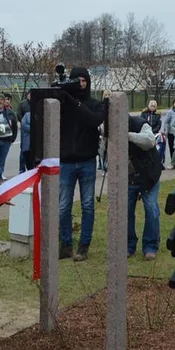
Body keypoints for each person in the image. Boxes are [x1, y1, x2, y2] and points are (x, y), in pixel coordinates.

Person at [57, 67, 106, 262]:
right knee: (63, 206)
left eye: (83, 80)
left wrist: (73, 101)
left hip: (86, 161)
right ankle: (66, 244)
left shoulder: (94, 104)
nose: (80, 84)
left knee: (87, 205)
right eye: (76, 80)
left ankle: (84, 245)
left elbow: (93, 120)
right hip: (66, 162)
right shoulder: (63, 104)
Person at [126, 115, 162, 260]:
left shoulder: (140, 124)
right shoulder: (107, 127)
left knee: (151, 209)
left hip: (149, 174)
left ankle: (150, 246)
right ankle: (128, 245)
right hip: (128, 177)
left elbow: (150, 141)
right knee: (126, 211)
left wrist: (126, 135)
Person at [161, 99, 175, 169]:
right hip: (171, 133)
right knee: (172, 148)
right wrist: (163, 129)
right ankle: (174, 163)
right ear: (173, 104)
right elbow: (166, 121)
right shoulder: (170, 112)